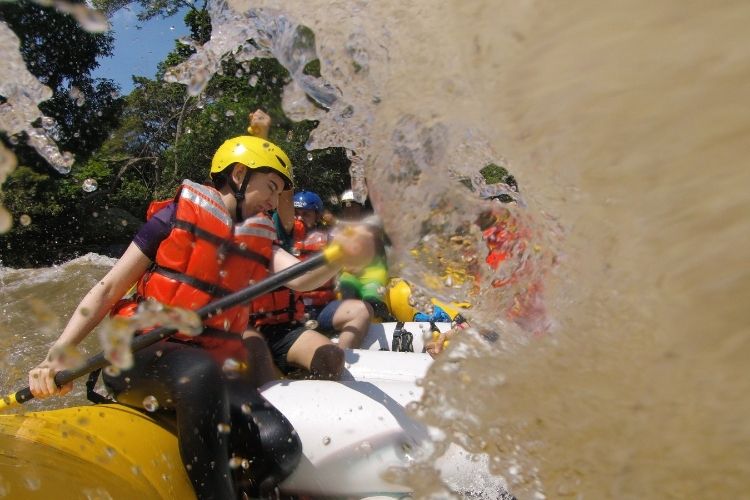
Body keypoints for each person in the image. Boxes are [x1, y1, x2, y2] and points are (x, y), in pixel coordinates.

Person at [27, 130, 375, 499]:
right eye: (270, 187)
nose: (274, 202)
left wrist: (339, 255)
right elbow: (108, 288)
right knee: (199, 371)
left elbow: (304, 279)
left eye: (279, 193)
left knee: (278, 445)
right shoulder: (171, 219)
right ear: (239, 175)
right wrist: (56, 356)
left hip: (207, 364)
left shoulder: (258, 238)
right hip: (141, 354)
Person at [252, 190, 373, 380]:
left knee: (361, 311)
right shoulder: (280, 234)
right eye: (296, 213)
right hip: (270, 321)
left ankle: (344, 355)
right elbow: (284, 207)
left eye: (306, 213)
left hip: (317, 311)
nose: (299, 218)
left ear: (316, 215)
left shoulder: (329, 238)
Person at [335, 189, 393, 321]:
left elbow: (386, 249)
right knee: (347, 289)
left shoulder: (372, 226)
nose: (350, 210)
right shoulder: (339, 230)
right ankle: (350, 321)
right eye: (347, 207)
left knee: (371, 299)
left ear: (360, 208)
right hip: (351, 273)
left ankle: (385, 317)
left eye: (353, 206)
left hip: (374, 271)